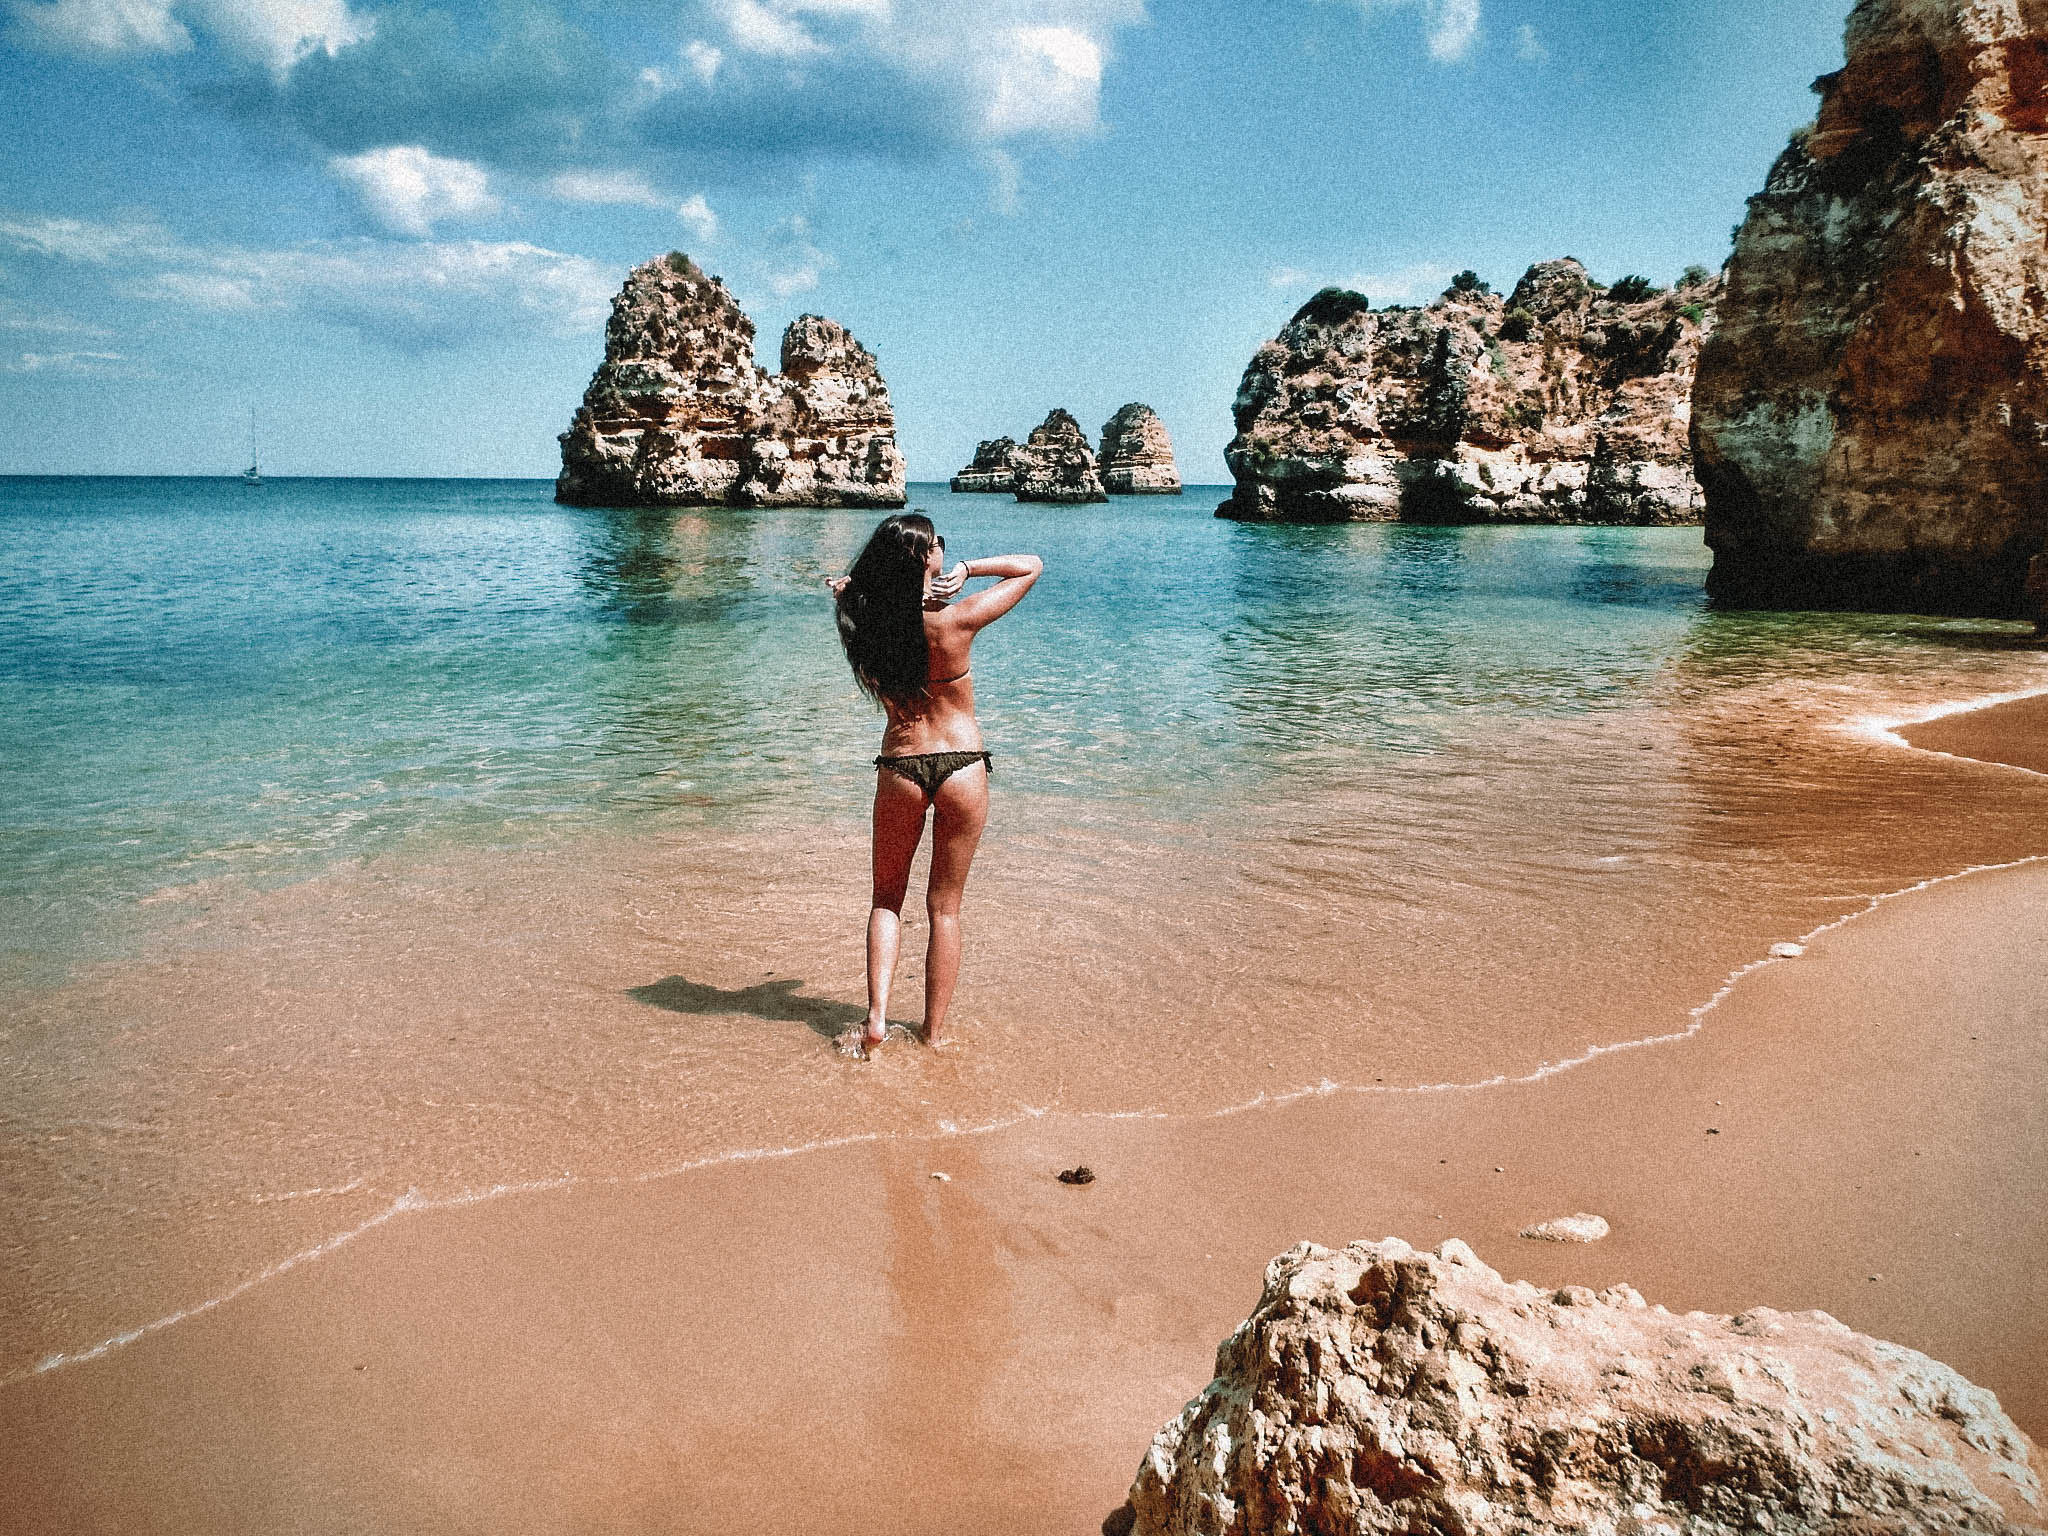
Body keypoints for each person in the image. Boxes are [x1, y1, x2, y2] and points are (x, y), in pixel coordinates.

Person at [827, 514, 1041, 1056]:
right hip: (962, 765)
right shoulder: (959, 618)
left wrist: (855, 586)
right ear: (926, 561)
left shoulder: (867, 620)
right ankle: (933, 1035)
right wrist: (969, 569)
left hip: (901, 765)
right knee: (944, 909)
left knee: (887, 900)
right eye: (936, 545)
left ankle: (876, 1021)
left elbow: (857, 587)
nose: (944, 547)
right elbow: (1030, 567)